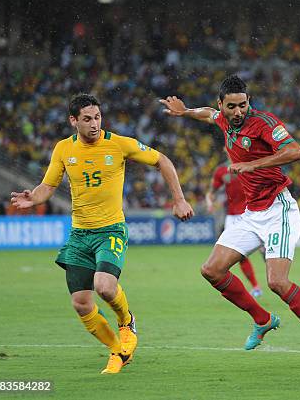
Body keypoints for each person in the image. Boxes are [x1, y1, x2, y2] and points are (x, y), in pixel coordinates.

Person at [159, 75, 300, 377]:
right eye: (232, 106)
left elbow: (296, 152)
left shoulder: (264, 123)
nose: (239, 111)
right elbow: (208, 114)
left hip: (278, 209)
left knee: (278, 283)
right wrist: (186, 112)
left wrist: (253, 164)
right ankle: (262, 319)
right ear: (223, 105)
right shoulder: (223, 120)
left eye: (243, 104)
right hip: (250, 214)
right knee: (212, 270)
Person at [10, 94, 194, 374]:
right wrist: (33, 198)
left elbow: (163, 161)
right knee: (81, 303)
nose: (94, 124)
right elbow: (48, 186)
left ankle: (126, 321)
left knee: (105, 287)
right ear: (74, 121)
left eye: (97, 117)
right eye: (87, 119)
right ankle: (116, 351)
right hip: (79, 234)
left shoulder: (119, 144)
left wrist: (179, 199)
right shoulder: (63, 149)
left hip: (110, 230)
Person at [206, 154, 262, 298]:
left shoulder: (252, 164)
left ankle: (275, 281)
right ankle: (255, 287)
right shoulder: (221, 170)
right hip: (232, 217)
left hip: (253, 213)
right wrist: (210, 202)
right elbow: (211, 192)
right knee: (239, 256)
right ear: (225, 148)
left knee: (266, 251)